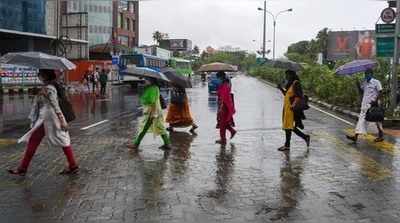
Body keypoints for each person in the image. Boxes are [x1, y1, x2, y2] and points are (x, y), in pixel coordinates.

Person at [8, 69, 78, 176]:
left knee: (58, 140)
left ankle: (22, 168)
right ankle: (73, 165)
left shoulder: (49, 88)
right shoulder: (48, 86)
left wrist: (62, 120)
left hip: (49, 119)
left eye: (39, 75)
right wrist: (39, 94)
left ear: (45, 76)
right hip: (47, 118)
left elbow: (55, 105)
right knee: (59, 140)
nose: (38, 76)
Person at [126, 78, 172, 150]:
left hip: (152, 112)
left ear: (151, 81)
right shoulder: (153, 87)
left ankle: (135, 144)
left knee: (143, 128)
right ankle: (167, 144)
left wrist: (152, 113)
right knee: (159, 127)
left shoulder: (153, 88)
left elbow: (152, 101)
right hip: (155, 112)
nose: (145, 81)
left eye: (147, 80)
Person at [347, 69, 384, 143]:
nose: (366, 75)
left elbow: (380, 92)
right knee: (361, 120)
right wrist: (357, 84)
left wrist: (375, 101)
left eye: (368, 74)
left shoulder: (376, 82)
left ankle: (380, 136)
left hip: (372, 105)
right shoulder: (365, 82)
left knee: (377, 121)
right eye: (365, 74)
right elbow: (361, 92)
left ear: (371, 74)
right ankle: (355, 136)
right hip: (364, 105)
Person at [277, 70, 310, 151]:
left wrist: (293, 105)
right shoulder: (290, 84)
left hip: (292, 109)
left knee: (289, 127)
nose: (286, 77)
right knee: (289, 127)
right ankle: (305, 137)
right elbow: (287, 95)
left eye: (287, 75)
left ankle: (287, 145)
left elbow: (298, 96)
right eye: (286, 75)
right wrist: (281, 88)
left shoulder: (296, 83)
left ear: (292, 75)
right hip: (287, 108)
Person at [215, 71, 236, 145]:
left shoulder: (225, 85)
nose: (217, 79)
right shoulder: (223, 84)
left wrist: (221, 106)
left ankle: (223, 139)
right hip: (223, 105)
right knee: (223, 122)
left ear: (221, 77)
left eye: (217, 78)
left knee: (222, 123)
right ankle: (232, 131)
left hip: (224, 106)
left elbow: (225, 97)